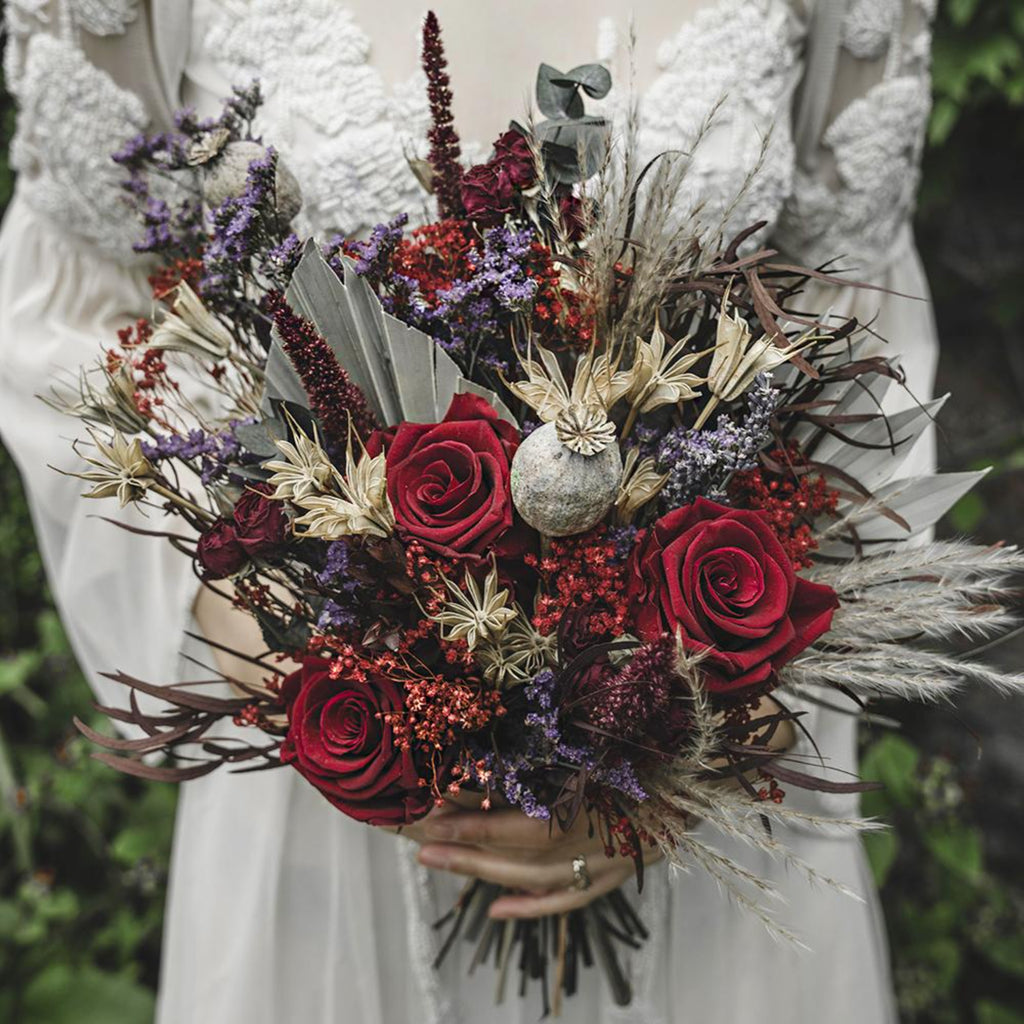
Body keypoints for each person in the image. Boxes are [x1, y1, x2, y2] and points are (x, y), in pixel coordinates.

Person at [0, 2, 938, 1021]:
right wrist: (268, 618)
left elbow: (857, 342)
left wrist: (702, 727)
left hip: (693, 823)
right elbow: (84, 312)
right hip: (330, 798)